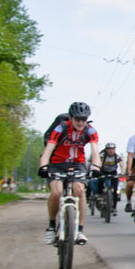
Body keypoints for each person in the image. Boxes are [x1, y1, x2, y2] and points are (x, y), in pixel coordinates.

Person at [36, 101, 100, 245]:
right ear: (70, 118)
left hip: (78, 164)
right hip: (57, 163)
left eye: (84, 119)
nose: (81, 122)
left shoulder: (90, 130)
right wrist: (43, 167)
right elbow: (47, 151)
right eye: (77, 119)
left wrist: (95, 167)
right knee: (56, 192)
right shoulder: (61, 128)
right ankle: (51, 226)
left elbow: (95, 152)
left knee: (80, 191)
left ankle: (80, 230)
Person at [91, 142, 123, 214]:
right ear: (106, 150)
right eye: (109, 149)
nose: (111, 150)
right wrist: (96, 170)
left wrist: (123, 172)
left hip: (113, 172)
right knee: (100, 181)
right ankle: (100, 195)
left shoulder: (116, 156)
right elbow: (98, 163)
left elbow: (121, 164)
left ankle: (114, 208)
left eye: (112, 149)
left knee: (115, 190)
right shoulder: (102, 155)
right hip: (103, 172)